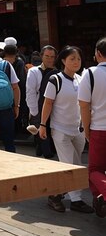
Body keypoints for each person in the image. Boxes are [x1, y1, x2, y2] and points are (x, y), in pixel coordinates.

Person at [38, 46, 94, 213]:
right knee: (71, 164)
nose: (76, 62)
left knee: (74, 165)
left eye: (78, 59)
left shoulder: (81, 79)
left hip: (78, 129)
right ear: (63, 61)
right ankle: (75, 200)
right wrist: (42, 125)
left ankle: (56, 194)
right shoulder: (55, 80)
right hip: (60, 129)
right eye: (72, 59)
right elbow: (48, 103)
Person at [78, 37, 106, 218]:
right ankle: (100, 199)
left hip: (99, 129)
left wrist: (86, 128)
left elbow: (83, 105)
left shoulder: (90, 73)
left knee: (95, 169)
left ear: (97, 53)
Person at [26, 45, 58, 158]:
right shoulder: (34, 71)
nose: (50, 59)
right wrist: (34, 112)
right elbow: (30, 92)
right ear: (41, 56)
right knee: (42, 136)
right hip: (39, 108)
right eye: (47, 56)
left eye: (52, 57)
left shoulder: (58, 72)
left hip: (55, 109)